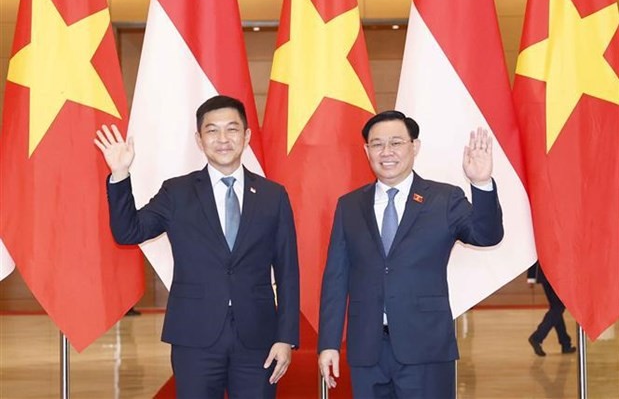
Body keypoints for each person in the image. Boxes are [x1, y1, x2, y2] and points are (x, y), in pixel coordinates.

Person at [94, 95, 300, 399]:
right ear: (199, 140)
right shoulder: (177, 192)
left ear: (246, 136)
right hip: (194, 337)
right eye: (212, 130)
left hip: (258, 339)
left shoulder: (273, 195)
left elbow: (287, 271)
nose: (223, 139)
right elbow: (128, 232)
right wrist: (120, 173)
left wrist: (286, 338)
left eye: (232, 129)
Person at [317, 110, 504, 399]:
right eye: (377, 144)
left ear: (414, 147)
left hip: (426, 347)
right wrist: (328, 343)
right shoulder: (350, 206)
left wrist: (481, 184)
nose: (387, 152)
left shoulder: (444, 199)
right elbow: (335, 279)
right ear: (367, 150)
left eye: (396, 143)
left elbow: (486, 235)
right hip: (368, 351)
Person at [527, 261, 576, 357]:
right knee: (558, 307)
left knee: (555, 308)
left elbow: (534, 253)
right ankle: (537, 337)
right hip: (558, 273)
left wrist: (531, 277)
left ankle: (565, 343)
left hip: (544, 273)